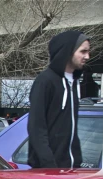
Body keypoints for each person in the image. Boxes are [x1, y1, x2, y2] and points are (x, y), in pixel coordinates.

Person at [27, 31, 90, 169]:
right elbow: (36, 129)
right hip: (48, 172)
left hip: (70, 169)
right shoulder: (45, 81)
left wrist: (77, 161)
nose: (87, 56)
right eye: (83, 51)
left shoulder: (73, 82)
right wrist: (50, 166)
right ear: (69, 51)